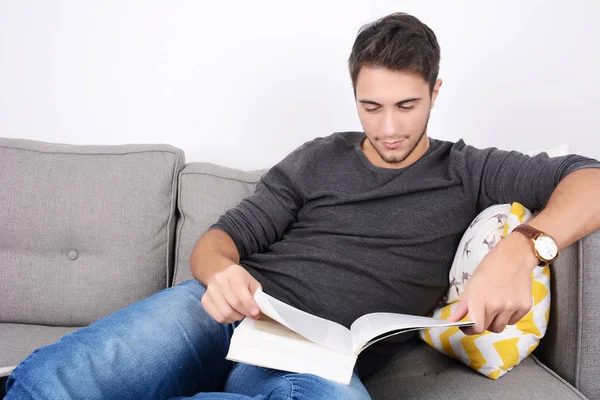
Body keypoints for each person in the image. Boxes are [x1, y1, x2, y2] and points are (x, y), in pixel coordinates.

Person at [5, 11, 600, 400]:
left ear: (435, 92)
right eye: (371, 107)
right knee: (51, 383)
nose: (389, 128)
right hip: (229, 313)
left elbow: (591, 179)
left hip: (321, 354)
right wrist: (222, 273)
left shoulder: (468, 167)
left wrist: (524, 248)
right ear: (354, 94)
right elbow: (218, 241)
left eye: (407, 105)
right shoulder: (319, 156)